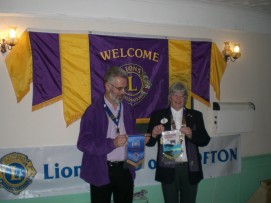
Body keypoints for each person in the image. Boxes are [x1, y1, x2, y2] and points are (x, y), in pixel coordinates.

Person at [77, 66, 150, 203]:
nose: (123, 92)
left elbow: (130, 134)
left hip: (125, 169)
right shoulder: (93, 111)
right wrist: (112, 143)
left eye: (125, 88)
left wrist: (139, 140)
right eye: (119, 88)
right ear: (107, 86)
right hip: (101, 170)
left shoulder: (127, 108)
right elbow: (83, 143)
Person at [146, 82, 211, 203]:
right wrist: (154, 134)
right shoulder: (158, 115)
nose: (178, 99)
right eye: (175, 95)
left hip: (189, 168)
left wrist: (192, 134)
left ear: (186, 98)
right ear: (170, 97)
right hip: (168, 168)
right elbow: (149, 142)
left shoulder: (196, 115)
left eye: (182, 96)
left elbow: (205, 140)